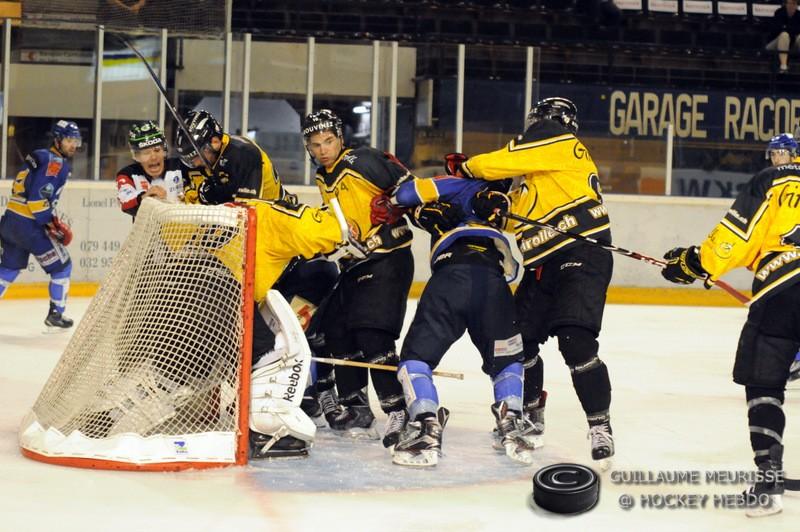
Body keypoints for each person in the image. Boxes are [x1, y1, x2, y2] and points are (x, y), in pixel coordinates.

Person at [449, 97, 615, 464]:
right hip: (543, 266)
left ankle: (599, 424)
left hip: (579, 255)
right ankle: (530, 412)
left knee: (576, 341)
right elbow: (514, 219)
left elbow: (497, 162)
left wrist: (468, 167)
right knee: (517, 343)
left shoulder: (556, 139)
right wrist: (494, 207)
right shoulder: (538, 178)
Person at [660, 139, 800, 518]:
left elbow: (735, 238)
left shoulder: (776, 180)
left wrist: (695, 263)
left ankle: (769, 482)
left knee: (764, 384)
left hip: (784, 288)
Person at [383, 174, 538, 466]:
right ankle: (512, 422)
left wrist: (419, 210)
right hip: (493, 282)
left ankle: (427, 427)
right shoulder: (509, 199)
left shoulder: (455, 184)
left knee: (415, 361)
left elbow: (401, 195)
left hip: (450, 277)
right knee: (506, 361)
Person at [303, 109, 413, 445]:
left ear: (340, 138)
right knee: (334, 329)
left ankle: (399, 411)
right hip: (356, 263)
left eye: (329, 141)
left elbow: (410, 187)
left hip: (388, 259)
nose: (323, 149)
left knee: (371, 332)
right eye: (315, 144)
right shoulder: (325, 176)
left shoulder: (361, 160)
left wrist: (396, 203)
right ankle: (356, 406)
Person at [0, 120, 82, 329]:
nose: (74, 145)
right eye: (69, 140)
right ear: (57, 139)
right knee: (62, 266)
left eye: (76, 140)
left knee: (8, 269)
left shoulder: (40, 155)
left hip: (10, 221)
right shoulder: (55, 163)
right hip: (30, 225)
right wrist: (50, 224)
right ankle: (56, 314)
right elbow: (37, 201)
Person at [174, 109, 288, 204]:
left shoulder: (244, 155)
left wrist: (219, 197)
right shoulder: (202, 160)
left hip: (273, 216)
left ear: (215, 142)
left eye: (196, 157)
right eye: (189, 160)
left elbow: (246, 214)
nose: (196, 164)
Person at [116, 121, 188, 219]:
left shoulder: (182, 166)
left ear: (164, 150)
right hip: (148, 233)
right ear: (136, 156)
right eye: (146, 152)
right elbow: (125, 202)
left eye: (157, 150)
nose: (153, 157)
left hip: (183, 231)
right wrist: (145, 197)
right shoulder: (128, 174)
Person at [765, 0, 800, 74]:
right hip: (774, 44)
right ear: (786, 4)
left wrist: (786, 27)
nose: (791, 5)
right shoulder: (779, 12)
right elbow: (776, 29)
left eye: (793, 3)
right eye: (789, 3)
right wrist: (790, 30)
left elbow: (797, 30)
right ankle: (783, 66)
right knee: (784, 35)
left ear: (797, 5)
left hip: (792, 43)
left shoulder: (798, 15)